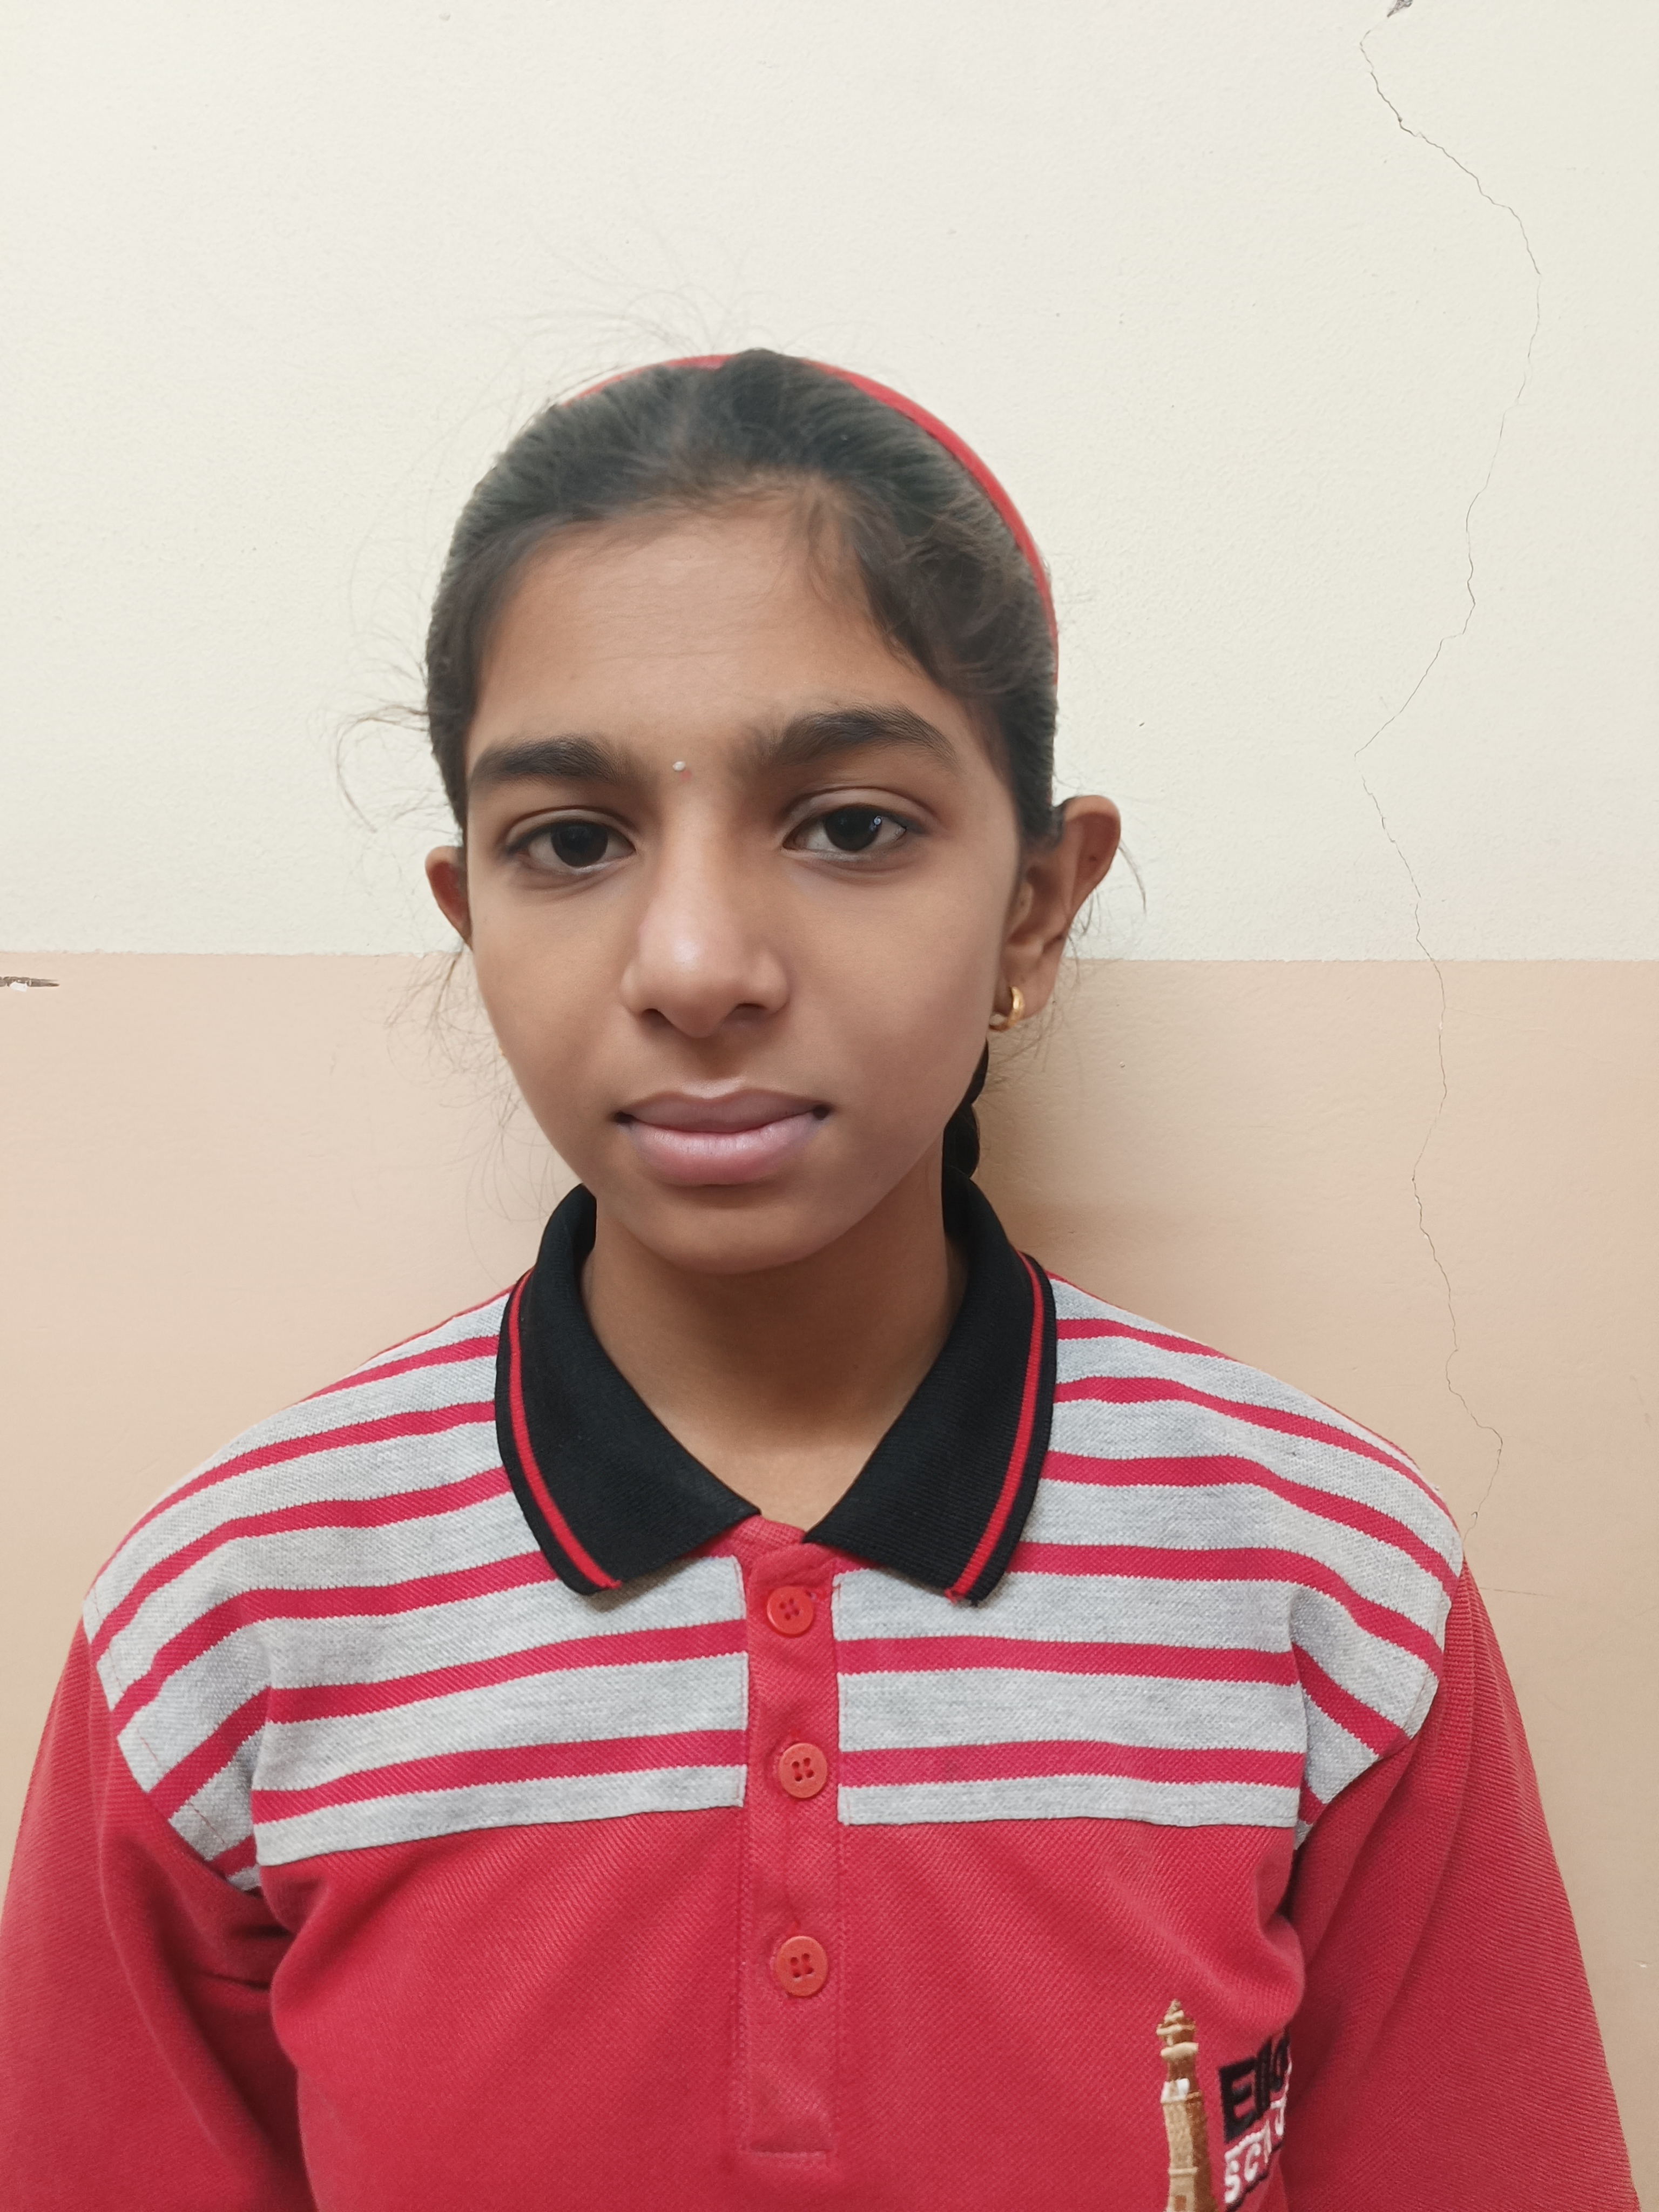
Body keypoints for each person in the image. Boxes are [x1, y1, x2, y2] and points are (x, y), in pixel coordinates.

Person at [0, 352, 1635, 2211]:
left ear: (1037, 904)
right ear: (471, 919)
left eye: (850, 824)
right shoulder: (229, 1626)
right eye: (572, 843)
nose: (697, 964)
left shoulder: (1329, 1588)